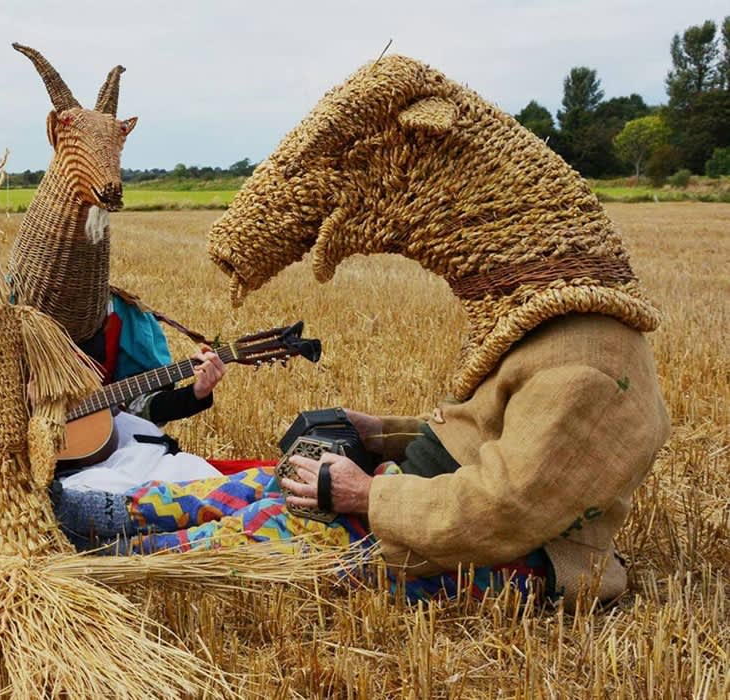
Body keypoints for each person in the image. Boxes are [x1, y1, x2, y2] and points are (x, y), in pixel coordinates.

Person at [57, 55, 672, 606]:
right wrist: (381, 435)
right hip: (430, 497)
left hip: (512, 559)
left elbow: (503, 509)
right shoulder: (548, 326)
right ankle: (99, 513)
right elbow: (488, 437)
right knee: (263, 486)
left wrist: (366, 497)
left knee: (277, 533)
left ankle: (106, 561)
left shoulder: (585, 371)